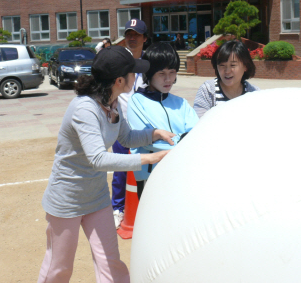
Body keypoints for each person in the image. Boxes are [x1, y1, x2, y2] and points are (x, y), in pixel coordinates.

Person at [37, 46, 175, 283]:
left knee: (110, 262)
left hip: (97, 197)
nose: (137, 77)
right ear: (120, 80)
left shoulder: (113, 102)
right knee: (59, 268)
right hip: (67, 198)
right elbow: (98, 159)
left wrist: (154, 134)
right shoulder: (84, 109)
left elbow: (127, 138)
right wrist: (149, 158)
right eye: (133, 73)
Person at [127, 42, 199, 199]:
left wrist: (180, 140)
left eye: (172, 72)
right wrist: (184, 141)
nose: (168, 79)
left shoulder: (181, 103)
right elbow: (147, 140)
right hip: (150, 178)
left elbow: (196, 134)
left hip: (182, 176)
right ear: (149, 73)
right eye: (161, 73)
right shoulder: (136, 101)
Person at [111, 19, 149, 228]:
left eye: (136, 34)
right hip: (121, 127)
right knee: (119, 171)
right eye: (129, 34)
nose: (132, 38)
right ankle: (117, 209)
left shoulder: (149, 64)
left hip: (143, 128)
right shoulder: (118, 62)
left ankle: (145, 209)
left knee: (146, 168)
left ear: (144, 38)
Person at [194, 40, 259, 118]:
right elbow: (199, 124)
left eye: (233, 65)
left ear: (246, 66)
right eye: (222, 65)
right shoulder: (208, 91)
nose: (227, 71)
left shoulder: (254, 93)